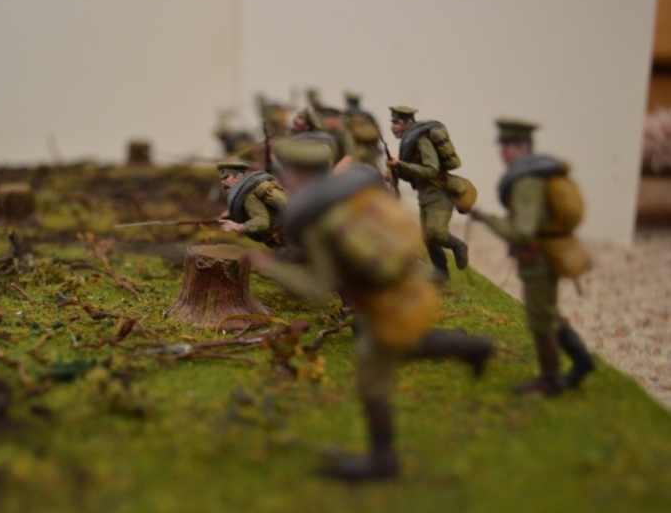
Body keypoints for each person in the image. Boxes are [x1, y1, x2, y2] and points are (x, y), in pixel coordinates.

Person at [249, 139, 493, 481]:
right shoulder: (356, 197)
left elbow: (318, 290)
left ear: (301, 174)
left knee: (372, 381)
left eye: (288, 171)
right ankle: (473, 348)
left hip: (384, 302)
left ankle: (383, 460)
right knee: (404, 344)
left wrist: (269, 267)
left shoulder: (321, 221)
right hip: (408, 289)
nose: (284, 178)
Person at [470, 119, 595, 396]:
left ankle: (551, 381)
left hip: (538, 259)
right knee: (549, 313)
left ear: (524, 147)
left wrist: (486, 219)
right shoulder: (538, 174)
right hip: (544, 254)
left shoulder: (526, 180)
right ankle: (582, 361)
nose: (503, 152)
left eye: (509, 145)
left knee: (541, 322)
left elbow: (522, 233)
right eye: (503, 145)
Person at [386, 106, 468, 284]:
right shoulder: (410, 141)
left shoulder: (421, 140)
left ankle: (458, 245)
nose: (393, 127)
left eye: (397, 123)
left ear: (408, 123)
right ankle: (441, 273)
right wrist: (396, 170)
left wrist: (401, 165)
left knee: (437, 233)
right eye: (392, 122)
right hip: (425, 194)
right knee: (427, 238)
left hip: (439, 192)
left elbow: (431, 170)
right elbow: (412, 174)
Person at [216, 160, 288, 253]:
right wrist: (230, 214)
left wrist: (240, 227)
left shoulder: (249, 196)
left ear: (239, 176)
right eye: (221, 179)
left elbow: (262, 222)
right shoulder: (246, 194)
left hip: (287, 241)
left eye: (226, 177)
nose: (223, 182)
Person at [343, 92, 381, 168]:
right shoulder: (368, 116)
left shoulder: (347, 117)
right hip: (370, 151)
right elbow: (378, 133)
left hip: (356, 151)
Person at [318, 106, 356, 172]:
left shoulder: (342, 134)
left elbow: (349, 155)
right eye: (326, 118)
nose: (327, 121)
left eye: (330, 118)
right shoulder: (322, 132)